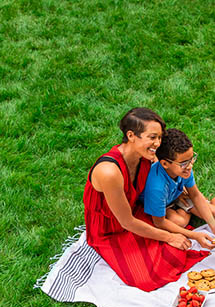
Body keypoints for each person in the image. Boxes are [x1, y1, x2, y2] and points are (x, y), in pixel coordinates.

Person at [83, 108, 208, 292]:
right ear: (131, 135)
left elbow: (172, 171)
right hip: (110, 228)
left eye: (159, 137)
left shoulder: (146, 156)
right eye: (152, 137)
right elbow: (126, 222)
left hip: (135, 212)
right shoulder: (109, 172)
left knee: (176, 247)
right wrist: (169, 236)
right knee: (147, 277)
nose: (158, 144)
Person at [141, 128, 215, 247]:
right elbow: (159, 222)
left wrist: (213, 226)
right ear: (165, 164)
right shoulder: (156, 188)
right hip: (164, 200)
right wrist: (194, 235)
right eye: (184, 163)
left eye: (191, 159)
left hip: (173, 195)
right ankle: (185, 205)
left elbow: (195, 194)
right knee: (178, 223)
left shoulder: (184, 170)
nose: (190, 166)